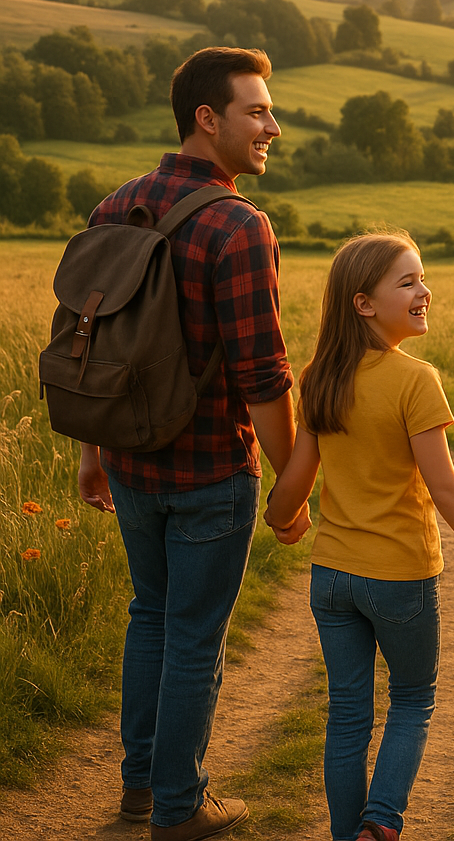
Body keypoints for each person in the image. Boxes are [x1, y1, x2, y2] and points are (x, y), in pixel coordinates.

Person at [77, 47, 303, 841]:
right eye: (257, 111)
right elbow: (264, 376)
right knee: (193, 640)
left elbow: (92, 345)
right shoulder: (239, 225)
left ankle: (140, 790)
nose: (272, 126)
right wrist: (292, 483)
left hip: (133, 464)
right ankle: (180, 807)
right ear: (208, 119)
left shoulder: (116, 207)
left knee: (151, 617)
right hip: (211, 471)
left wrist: (91, 452)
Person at [264, 231, 454, 841]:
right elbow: (448, 489)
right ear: (363, 304)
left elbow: (292, 486)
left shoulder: (320, 377)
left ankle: (348, 834)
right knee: (412, 699)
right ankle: (381, 822)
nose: (424, 292)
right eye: (407, 283)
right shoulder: (415, 380)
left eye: (422, 278)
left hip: (332, 580)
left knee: (347, 714)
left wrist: (282, 520)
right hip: (401, 577)